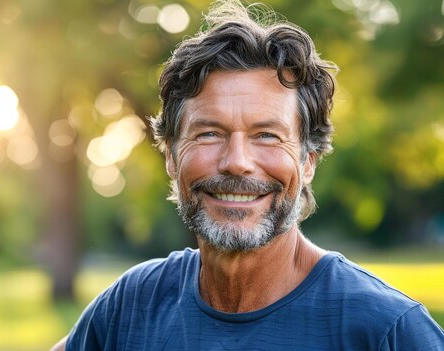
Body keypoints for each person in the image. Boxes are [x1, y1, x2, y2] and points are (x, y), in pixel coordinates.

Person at [51, 0, 444, 349]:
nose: (237, 161)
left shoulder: (386, 330)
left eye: (267, 136)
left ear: (308, 161)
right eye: (209, 133)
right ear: (170, 155)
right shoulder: (130, 309)